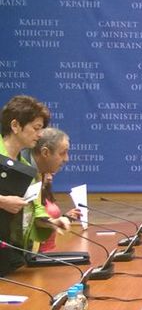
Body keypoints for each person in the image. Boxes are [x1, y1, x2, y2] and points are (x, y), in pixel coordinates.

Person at [0, 95, 50, 275]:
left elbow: (34, 207)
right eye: (36, 128)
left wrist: (51, 222)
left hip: (9, 249)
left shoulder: (27, 169)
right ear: (15, 126)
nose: (40, 134)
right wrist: (2, 201)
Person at [30, 128, 81, 252]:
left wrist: (51, 222)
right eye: (63, 153)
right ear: (45, 152)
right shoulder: (24, 172)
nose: (66, 159)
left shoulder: (38, 175)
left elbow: (35, 211)